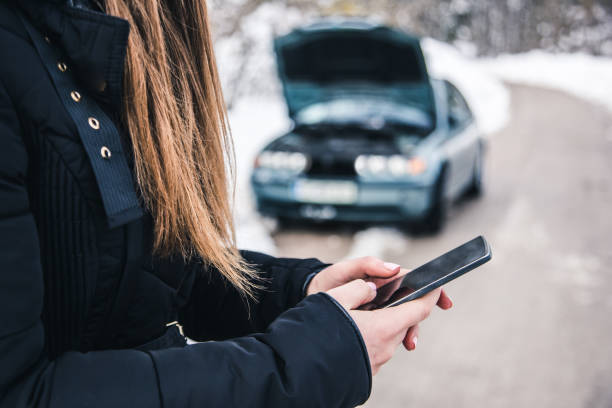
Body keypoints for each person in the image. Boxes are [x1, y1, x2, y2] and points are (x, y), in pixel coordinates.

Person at [0, 0, 453, 407]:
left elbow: (160, 277)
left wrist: (300, 289)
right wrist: (309, 359)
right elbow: (19, 392)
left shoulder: (96, 45)